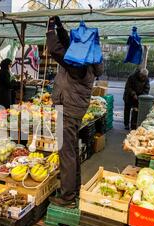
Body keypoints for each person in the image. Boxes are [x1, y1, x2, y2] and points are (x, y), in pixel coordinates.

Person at [46, 16, 104, 208]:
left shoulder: (79, 65)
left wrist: (50, 29)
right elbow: (67, 44)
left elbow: (55, 50)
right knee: (71, 150)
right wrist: (61, 27)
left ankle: (67, 197)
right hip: (73, 107)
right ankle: (74, 189)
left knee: (66, 152)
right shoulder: (90, 59)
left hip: (68, 109)